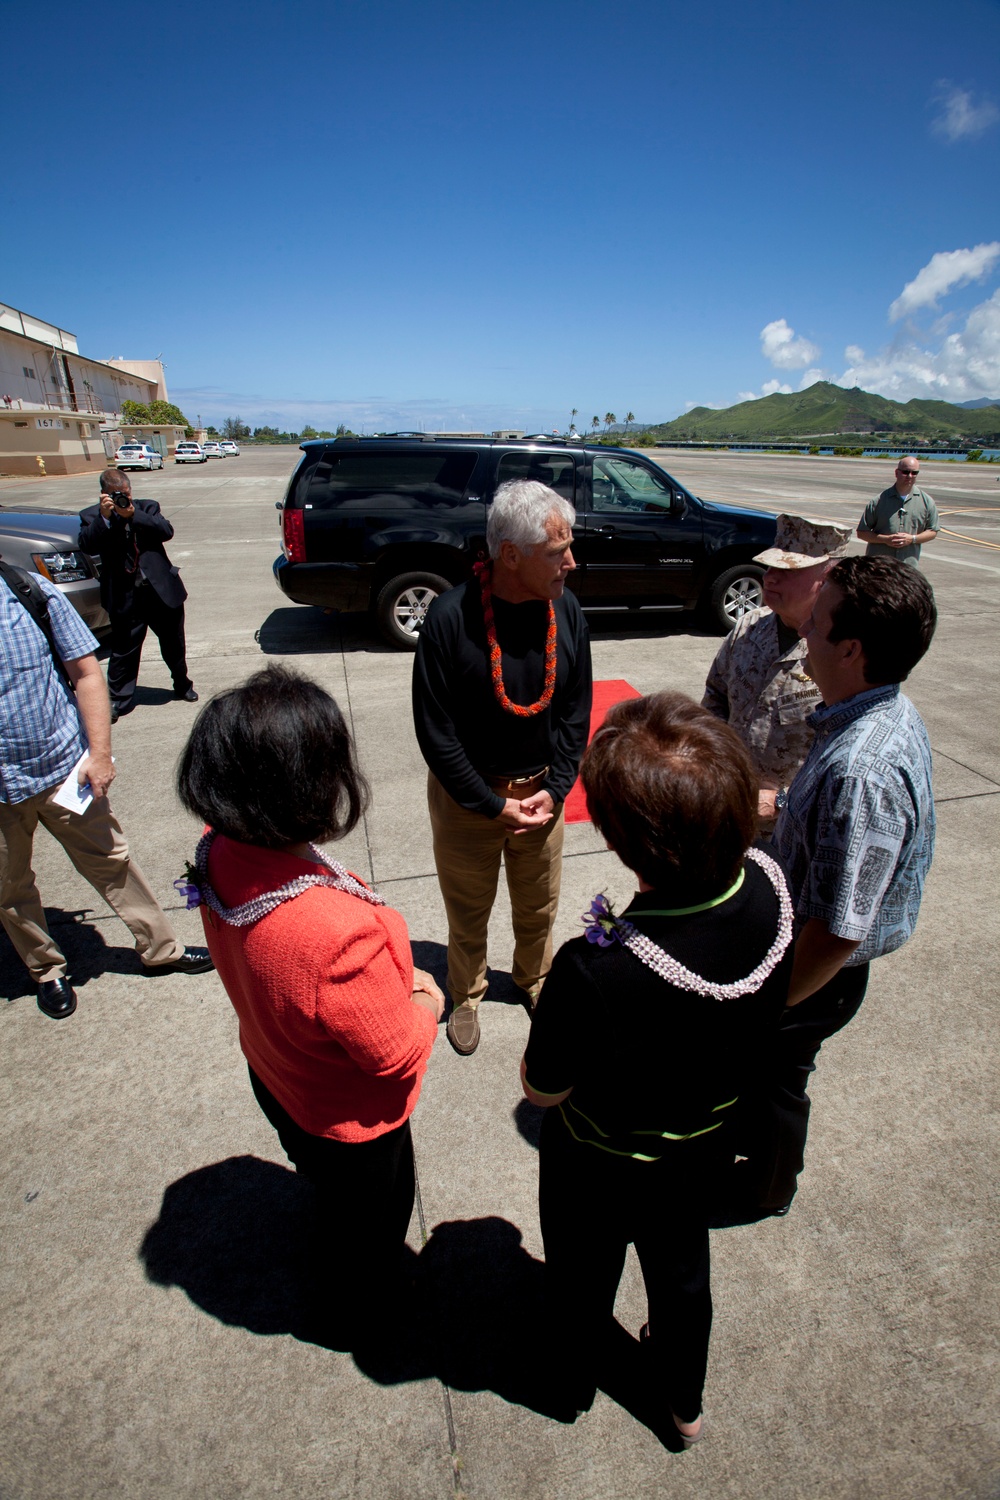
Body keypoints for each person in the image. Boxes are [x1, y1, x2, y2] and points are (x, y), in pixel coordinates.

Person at [521, 693, 795, 1440]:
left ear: (619, 837)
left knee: (579, 1278)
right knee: (681, 1276)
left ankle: (570, 1383)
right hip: (701, 1144)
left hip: (600, 1160)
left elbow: (543, 1086)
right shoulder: (772, 890)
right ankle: (683, 1403)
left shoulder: (597, 965)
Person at [176, 664, 444, 1339]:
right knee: (371, 1223)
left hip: (276, 1072)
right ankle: (365, 1301)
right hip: (348, 1118)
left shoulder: (219, 850)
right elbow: (391, 1054)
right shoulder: (330, 930)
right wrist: (428, 1000)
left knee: (324, 1186)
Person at [722, 556, 937, 1221]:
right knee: (765, 1076)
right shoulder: (866, 714)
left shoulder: (861, 770)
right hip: (809, 951)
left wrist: (770, 1002)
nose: (803, 631)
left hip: (817, 969)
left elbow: (840, 927)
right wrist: (784, 809)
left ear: (850, 649)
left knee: (779, 1076)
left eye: (816, 623)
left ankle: (767, 1188)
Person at [412, 479, 592, 1056]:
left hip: (542, 795)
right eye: (557, 549)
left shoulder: (567, 612)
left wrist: (557, 787)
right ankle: (466, 994)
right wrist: (489, 802)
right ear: (510, 555)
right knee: (468, 910)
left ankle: (534, 980)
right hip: (468, 800)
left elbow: (573, 710)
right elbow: (435, 731)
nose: (572, 560)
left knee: (538, 904)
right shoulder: (447, 618)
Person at [0, 562, 213, 1020]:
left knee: (111, 861)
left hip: (61, 770)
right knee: (9, 886)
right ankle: (46, 969)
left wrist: (99, 753)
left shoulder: (26, 590)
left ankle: (161, 949)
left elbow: (86, 672)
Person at [702, 514, 852, 828]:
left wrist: (783, 800)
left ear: (827, 577)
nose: (770, 578)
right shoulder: (748, 626)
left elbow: (847, 763)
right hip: (731, 815)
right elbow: (716, 698)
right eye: (771, 567)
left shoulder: (842, 651)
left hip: (795, 830)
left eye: (787, 570)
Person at [79, 469, 197, 723]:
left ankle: (182, 683)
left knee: (174, 644)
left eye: (125, 493)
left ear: (130, 490)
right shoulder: (91, 516)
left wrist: (134, 515)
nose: (122, 498)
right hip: (124, 596)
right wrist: (105, 517)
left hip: (160, 592)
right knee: (123, 649)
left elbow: (166, 531)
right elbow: (86, 544)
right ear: (104, 495)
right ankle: (117, 699)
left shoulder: (147, 508)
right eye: (115, 495)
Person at [856, 456, 939, 566]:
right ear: (896, 473)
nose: (909, 476)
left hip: (907, 568)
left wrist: (912, 539)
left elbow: (932, 531)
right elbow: (862, 532)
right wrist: (885, 540)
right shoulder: (878, 501)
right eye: (905, 472)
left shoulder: (927, 502)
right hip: (879, 567)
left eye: (914, 473)